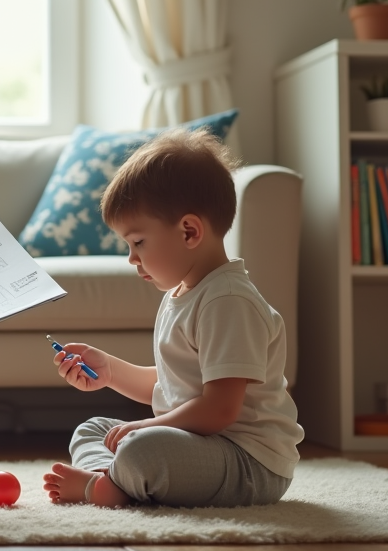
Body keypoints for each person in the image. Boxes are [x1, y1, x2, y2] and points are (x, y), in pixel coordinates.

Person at [42, 129, 305, 509]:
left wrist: (145, 427)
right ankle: (114, 478)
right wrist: (110, 371)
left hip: (247, 462)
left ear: (189, 231)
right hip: (197, 444)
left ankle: (110, 484)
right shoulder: (183, 293)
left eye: (138, 242)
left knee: (141, 446)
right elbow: (175, 386)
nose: (132, 258)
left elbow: (219, 410)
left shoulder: (228, 301)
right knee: (95, 429)